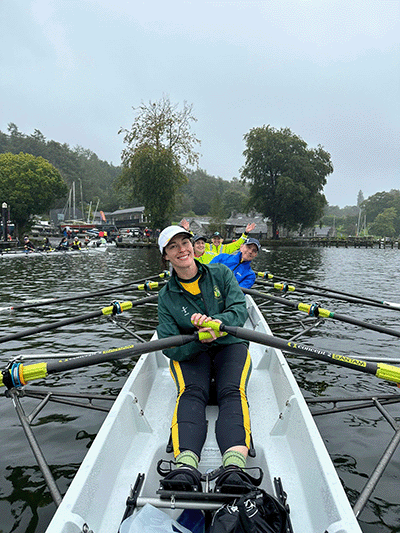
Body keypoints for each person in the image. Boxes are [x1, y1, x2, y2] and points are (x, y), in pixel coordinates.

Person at [156, 225, 254, 491]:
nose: (182, 249)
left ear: (192, 245)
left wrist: (217, 325)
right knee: (191, 392)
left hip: (229, 343)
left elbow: (238, 310)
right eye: (172, 246)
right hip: (193, 350)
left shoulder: (221, 273)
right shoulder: (165, 297)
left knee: (232, 391)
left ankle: (234, 467)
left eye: (184, 242)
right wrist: (199, 339)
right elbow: (169, 344)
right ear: (165, 255)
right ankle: (186, 467)